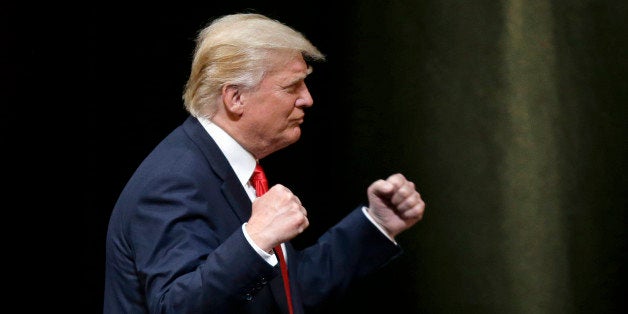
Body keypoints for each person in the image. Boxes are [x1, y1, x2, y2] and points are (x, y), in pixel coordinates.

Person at [104, 12, 426, 314]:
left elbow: (285, 290)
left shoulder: (230, 162)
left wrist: (377, 224)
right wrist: (254, 241)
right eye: (291, 87)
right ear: (235, 98)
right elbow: (175, 306)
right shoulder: (173, 180)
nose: (308, 99)